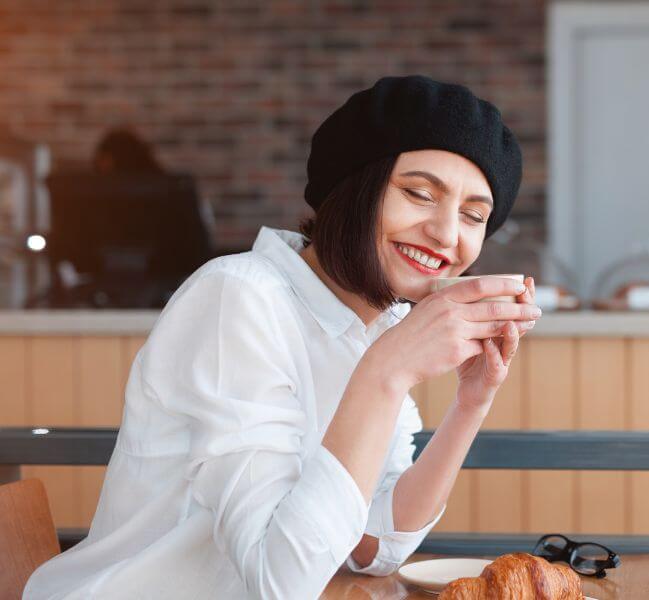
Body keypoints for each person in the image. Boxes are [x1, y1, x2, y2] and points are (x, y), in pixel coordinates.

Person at [24, 75, 539, 599]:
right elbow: (280, 583)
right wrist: (386, 374)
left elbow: (375, 546)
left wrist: (471, 403)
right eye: (418, 193)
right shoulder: (238, 297)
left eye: (474, 215)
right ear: (353, 187)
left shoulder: (375, 325)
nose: (448, 234)